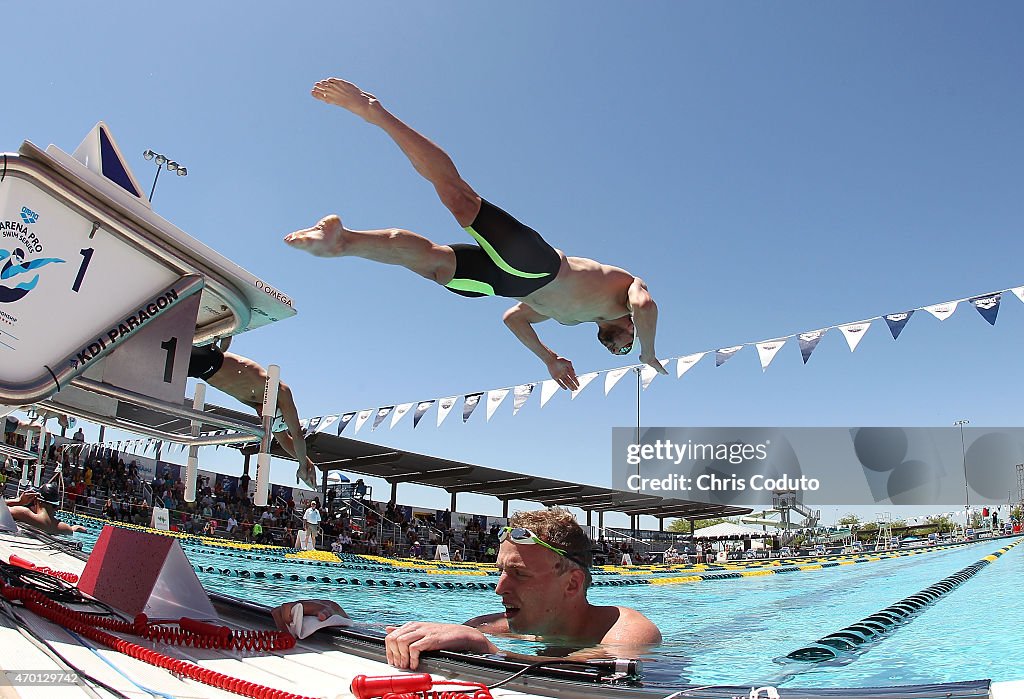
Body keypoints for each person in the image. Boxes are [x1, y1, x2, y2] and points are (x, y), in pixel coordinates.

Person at [285, 77, 668, 391]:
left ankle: (343, 241)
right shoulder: (626, 295)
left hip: (507, 285)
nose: (621, 350)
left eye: (619, 353)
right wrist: (648, 354)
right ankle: (374, 111)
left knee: (435, 264)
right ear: (630, 332)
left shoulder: (569, 318)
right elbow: (646, 307)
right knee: (460, 199)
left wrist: (549, 358)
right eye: (626, 349)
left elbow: (513, 319)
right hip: (540, 266)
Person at [272, 508, 660, 669]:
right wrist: (337, 618)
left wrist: (487, 650)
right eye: (500, 573)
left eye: (519, 575)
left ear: (572, 583)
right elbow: (422, 637)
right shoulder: (493, 624)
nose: (499, 589)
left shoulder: (630, 634)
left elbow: (589, 677)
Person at [187, 338, 317, 488]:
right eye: (264, 416)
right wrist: (302, 466)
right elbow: (297, 435)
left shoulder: (257, 401)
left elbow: (284, 439)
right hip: (211, 358)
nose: (261, 417)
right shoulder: (279, 390)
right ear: (277, 410)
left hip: (202, 371)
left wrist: (307, 463)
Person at [6, 483, 87, 535]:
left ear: (37, 501)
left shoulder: (23, 513)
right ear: (56, 507)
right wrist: (74, 528)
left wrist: (18, 501)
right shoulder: (64, 528)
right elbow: (79, 529)